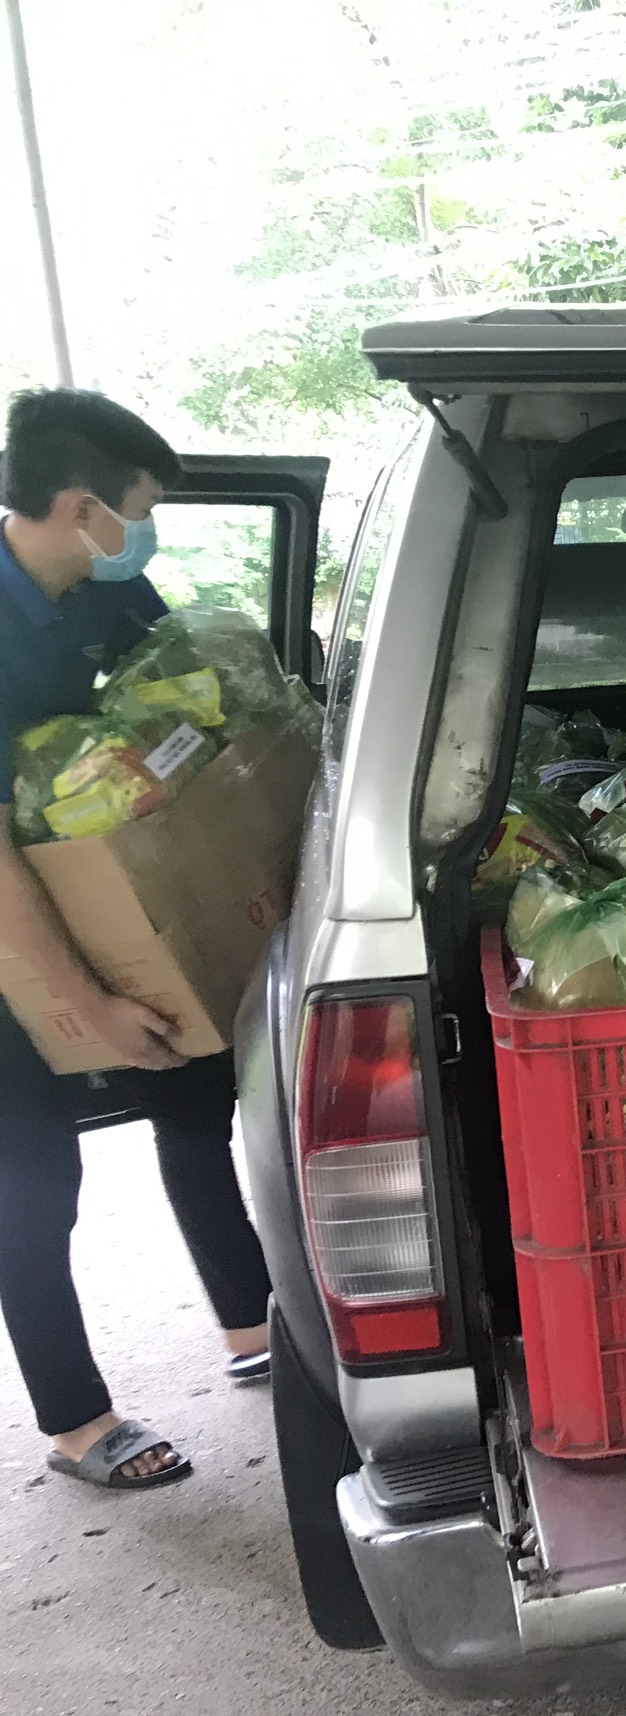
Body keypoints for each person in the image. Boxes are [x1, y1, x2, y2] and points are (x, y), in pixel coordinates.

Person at [0, 388, 274, 1491]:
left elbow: (175, 705)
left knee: (191, 1079)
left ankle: (251, 1322)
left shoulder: (107, 591)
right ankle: (77, 1421)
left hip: (83, 883)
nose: (144, 533)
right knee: (32, 1173)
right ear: (82, 508)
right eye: (141, 509)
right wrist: (85, 1003)